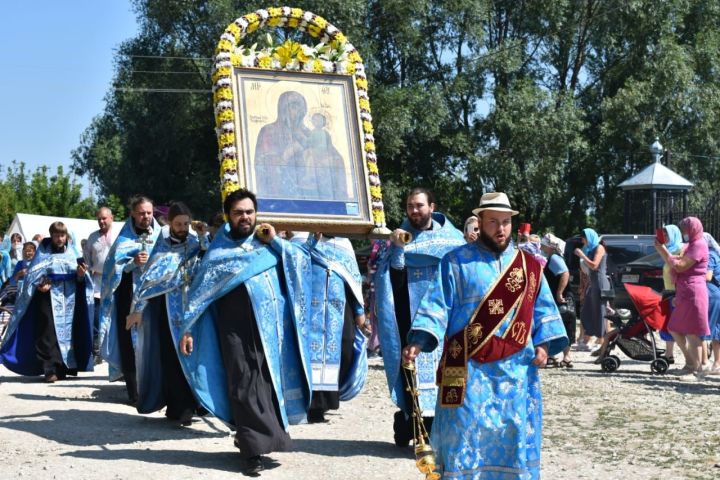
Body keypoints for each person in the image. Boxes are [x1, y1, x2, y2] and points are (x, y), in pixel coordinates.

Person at [403, 192, 567, 479]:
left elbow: (543, 309)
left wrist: (543, 344)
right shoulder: (455, 262)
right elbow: (437, 304)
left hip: (515, 372)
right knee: (462, 436)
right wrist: (418, 340)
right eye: (493, 222)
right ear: (480, 221)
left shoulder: (528, 266)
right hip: (466, 368)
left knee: (512, 434)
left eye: (505, 222)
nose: (501, 229)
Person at [178, 189, 312, 475]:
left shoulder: (267, 244)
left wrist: (276, 240)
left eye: (249, 212)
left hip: (270, 329)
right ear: (228, 216)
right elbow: (200, 294)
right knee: (242, 382)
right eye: (239, 212)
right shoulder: (218, 251)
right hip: (233, 329)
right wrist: (187, 329)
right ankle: (252, 451)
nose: (245, 217)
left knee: (266, 382)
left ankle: (257, 437)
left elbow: (301, 263)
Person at [374, 187, 465, 447]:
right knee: (412, 376)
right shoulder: (398, 238)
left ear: (432, 207)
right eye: (410, 206)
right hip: (410, 317)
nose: (414, 211)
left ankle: (442, 432)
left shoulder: (454, 240)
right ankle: (412, 427)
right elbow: (393, 280)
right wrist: (399, 250)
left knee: (444, 376)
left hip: (446, 322)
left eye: (419, 205)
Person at [125, 202, 205, 425]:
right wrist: (138, 310)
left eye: (185, 224)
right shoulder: (162, 248)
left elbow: (209, 266)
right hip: (168, 312)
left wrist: (202, 239)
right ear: (170, 223)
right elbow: (149, 280)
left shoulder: (196, 244)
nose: (182, 227)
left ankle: (197, 403)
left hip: (194, 311)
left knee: (195, 357)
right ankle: (179, 408)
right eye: (178, 224)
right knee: (172, 359)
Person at [0, 222, 94, 382]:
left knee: (68, 334)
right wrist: (40, 284)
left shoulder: (72, 253)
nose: (59, 239)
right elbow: (32, 275)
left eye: (62, 235)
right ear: (52, 235)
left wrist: (80, 274)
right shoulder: (42, 253)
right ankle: (49, 369)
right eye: (56, 235)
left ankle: (64, 368)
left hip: (69, 300)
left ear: (66, 237)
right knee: (47, 333)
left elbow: (81, 279)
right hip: (46, 298)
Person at [293, 231, 369, 423]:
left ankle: (327, 400)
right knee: (308, 353)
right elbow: (291, 268)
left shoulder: (344, 244)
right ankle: (310, 405)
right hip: (308, 307)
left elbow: (353, 281)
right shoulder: (300, 239)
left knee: (343, 349)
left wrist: (360, 314)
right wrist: (311, 243)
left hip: (340, 309)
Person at [99, 196, 161, 404]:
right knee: (130, 344)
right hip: (128, 298)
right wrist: (132, 263)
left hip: (154, 297)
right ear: (133, 214)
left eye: (149, 213)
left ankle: (157, 388)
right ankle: (135, 392)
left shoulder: (161, 236)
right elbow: (111, 271)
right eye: (142, 213)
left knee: (155, 341)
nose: (146, 217)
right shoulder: (123, 240)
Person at [656, 217, 709, 376]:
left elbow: (679, 266)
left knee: (692, 331)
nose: (684, 232)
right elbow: (676, 263)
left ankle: (697, 370)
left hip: (693, 291)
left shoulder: (699, 245)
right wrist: (662, 250)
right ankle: (690, 364)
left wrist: (663, 250)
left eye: (686, 228)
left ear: (693, 229)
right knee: (674, 327)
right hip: (685, 291)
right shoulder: (691, 245)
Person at [83, 207, 116, 360]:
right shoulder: (92, 237)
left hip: (116, 282)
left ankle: (114, 350)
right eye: (99, 219)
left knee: (114, 317)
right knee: (96, 317)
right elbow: (87, 258)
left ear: (111, 218)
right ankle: (97, 351)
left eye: (104, 218)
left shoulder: (119, 235)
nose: (101, 221)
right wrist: (89, 270)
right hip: (97, 282)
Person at [541, 233, 574, 367]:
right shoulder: (552, 257)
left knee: (565, 325)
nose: (541, 246)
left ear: (550, 246)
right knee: (557, 326)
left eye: (543, 244)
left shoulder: (554, 257)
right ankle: (553, 356)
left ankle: (567, 357)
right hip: (557, 297)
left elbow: (565, 273)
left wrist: (560, 293)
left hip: (561, 297)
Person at [574, 228, 609, 345]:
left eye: (584, 239)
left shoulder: (599, 248)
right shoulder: (591, 249)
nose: (583, 241)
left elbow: (594, 265)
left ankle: (602, 341)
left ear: (589, 237)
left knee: (600, 312)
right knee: (586, 311)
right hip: (593, 283)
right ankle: (588, 337)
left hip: (600, 283)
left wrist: (582, 255)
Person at [657, 225, 684, 364]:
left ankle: (692, 357)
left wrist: (662, 249)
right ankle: (669, 354)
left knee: (677, 325)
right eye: (663, 235)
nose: (665, 237)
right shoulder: (670, 249)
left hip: (677, 292)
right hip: (668, 291)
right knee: (667, 324)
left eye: (667, 235)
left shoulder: (681, 249)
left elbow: (676, 266)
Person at [703, 232, 720, 375]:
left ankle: (708, 363)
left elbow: (707, 276)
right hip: (716, 293)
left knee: (709, 329)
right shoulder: (715, 253)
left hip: (713, 294)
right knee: (716, 330)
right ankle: (717, 363)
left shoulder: (709, 255)